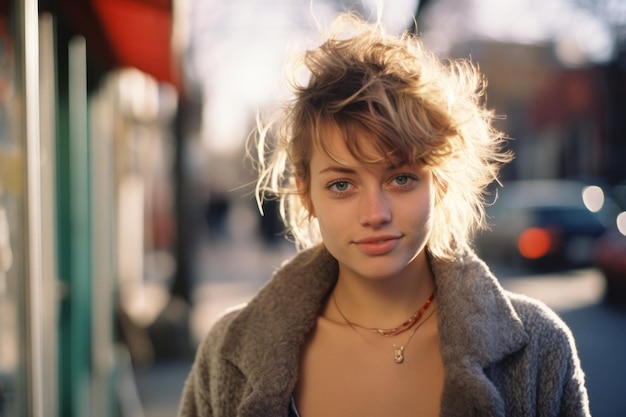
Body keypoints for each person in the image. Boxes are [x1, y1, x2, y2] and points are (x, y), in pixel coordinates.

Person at [178, 12, 590, 417]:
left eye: (401, 179)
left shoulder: (539, 348)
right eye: (342, 184)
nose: (375, 214)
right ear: (306, 194)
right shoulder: (227, 354)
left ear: (439, 181)